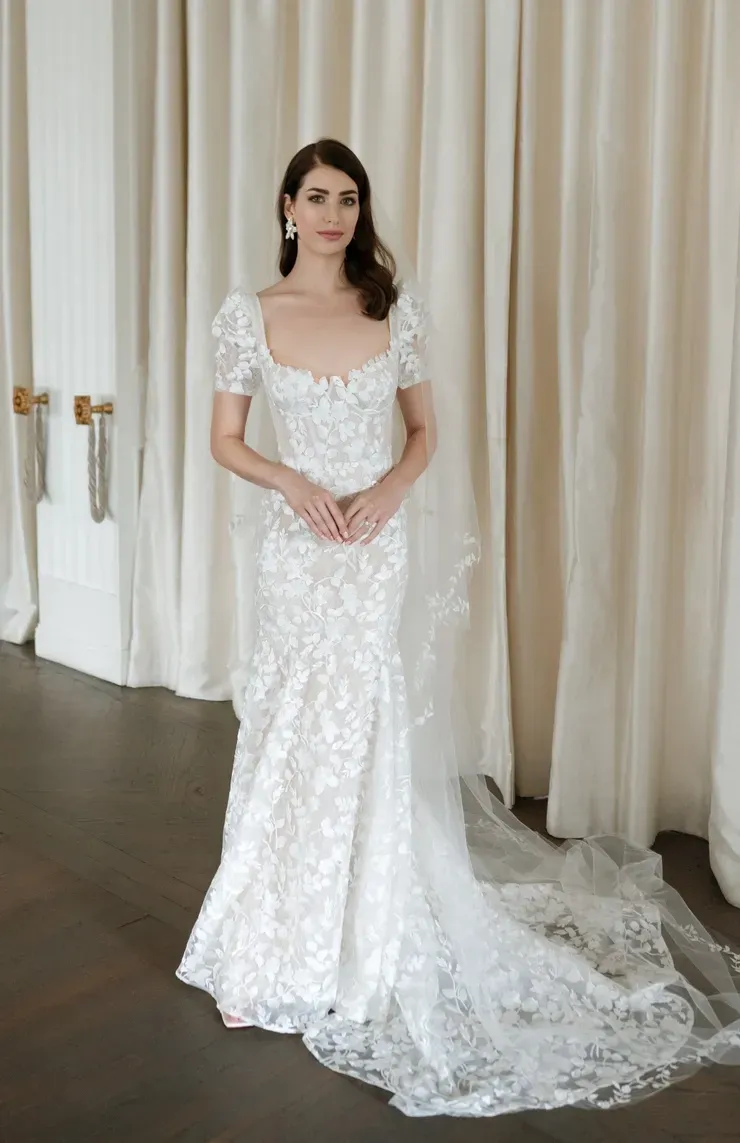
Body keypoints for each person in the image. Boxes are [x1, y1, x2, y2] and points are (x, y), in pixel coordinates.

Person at [177, 138, 740, 1118]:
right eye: (315, 196)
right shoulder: (248, 316)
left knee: (361, 723)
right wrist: (293, 481)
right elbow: (226, 440)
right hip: (301, 548)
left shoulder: (391, 312)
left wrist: (386, 493)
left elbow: (426, 435)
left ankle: (360, 935)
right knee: (291, 726)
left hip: (372, 546)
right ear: (285, 208)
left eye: (347, 198)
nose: (332, 214)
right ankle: (267, 942)